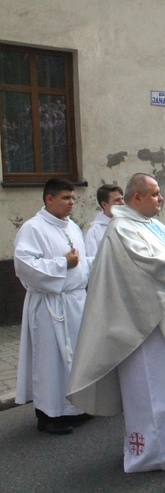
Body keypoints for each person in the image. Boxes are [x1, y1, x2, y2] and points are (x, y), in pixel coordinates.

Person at [68, 173, 165, 472]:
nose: (161, 199)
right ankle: (160, 454)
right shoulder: (121, 229)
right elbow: (145, 269)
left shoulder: (152, 225)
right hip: (142, 330)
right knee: (155, 390)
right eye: (154, 194)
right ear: (136, 198)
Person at [14, 178, 91, 435]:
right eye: (66, 198)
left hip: (75, 302)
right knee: (50, 363)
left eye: (73, 198)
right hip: (50, 307)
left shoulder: (72, 227)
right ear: (49, 199)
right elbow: (24, 265)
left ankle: (74, 409)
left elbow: (83, 261)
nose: (72, 203)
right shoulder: (33, 229)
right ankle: (48, 415)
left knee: (74, 359)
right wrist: (61, 264)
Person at [84, 184, 124, 256]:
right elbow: (92, 260)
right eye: (117, 200)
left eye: (122, 199)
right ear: (104, 205)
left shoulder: (128, 224)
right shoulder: (94, 232)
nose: (122, 203)